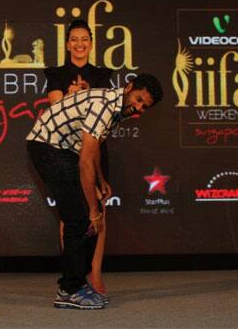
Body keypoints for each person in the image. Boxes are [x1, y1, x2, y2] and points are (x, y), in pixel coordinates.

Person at [27, 73, 163, 309]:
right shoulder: (105, 105)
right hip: (47, 146)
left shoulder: (118, 110)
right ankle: (68, 290)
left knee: (88, 219)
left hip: (65, 150)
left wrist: (101, 180)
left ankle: (77, 282)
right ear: (128, 87)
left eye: (144, 105)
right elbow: (85, 162)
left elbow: (94, 147)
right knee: (79, 217)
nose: (138, 107)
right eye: (138, 98)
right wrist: (93, 210)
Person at [45, 19, 112, 298]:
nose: (79, 44)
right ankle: (74, 274)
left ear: (91, 42)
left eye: (84, 39)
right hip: (66, 151)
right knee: (71, 215)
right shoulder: (56, 73)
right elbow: (56, 109)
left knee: (98, 211)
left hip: (94, 149)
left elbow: (106, 110)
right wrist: (72, 98)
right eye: (74, 39)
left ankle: (94, 272)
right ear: (67, 43)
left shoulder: (103, 74)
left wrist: (84, 97)